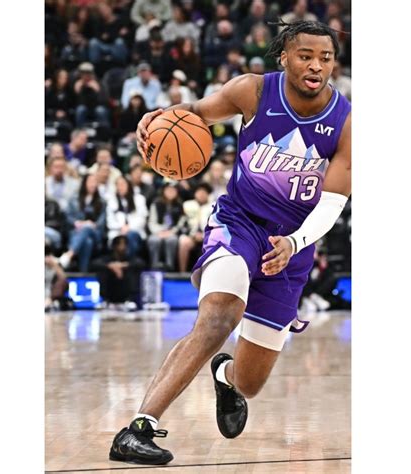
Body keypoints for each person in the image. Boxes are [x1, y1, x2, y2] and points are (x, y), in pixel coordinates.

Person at [109, 20, 351, 465]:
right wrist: (158, 117)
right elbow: (194, 113)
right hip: (239, 223)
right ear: (284, 57)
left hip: (291, 246)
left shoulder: (346, 120)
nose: (316, 66)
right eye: (306, 56)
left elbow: (334, 201)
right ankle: (139, 427)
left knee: (250, 383)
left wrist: (294, 242)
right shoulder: (252, 91)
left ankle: (226, 376)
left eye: (326, 58)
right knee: (219, 315)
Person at [60, 174, 106, 272]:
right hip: (76, 233)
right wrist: (76, 222)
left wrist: (91, 225)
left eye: (95, 182)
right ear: (84, 183)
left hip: (95, 234)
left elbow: (101, 223)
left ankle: (69, 254)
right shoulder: (74, 199)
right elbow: (67, 217)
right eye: (90, 181)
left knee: (87, 228)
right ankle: (83, 272)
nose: (93, 184)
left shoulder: (102, 202)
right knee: (87, 242)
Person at [91, 235, 145, 307]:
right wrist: (110, 266)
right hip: (111, 289)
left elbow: (141, 263)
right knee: (103, 270)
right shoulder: (107, 258)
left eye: (124, 244)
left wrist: (123, 265)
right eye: (120, 244)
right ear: (114, 246)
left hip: (125, 289)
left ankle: (130, 300)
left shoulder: (130, 258)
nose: (123, 247)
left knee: (133, 270)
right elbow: (94, 263)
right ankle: (105, 300)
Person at [146, 181, 185, 271]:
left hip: (172, 232)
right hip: (157, 232)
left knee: (171, 240)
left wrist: (172, 232)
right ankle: (154, 266)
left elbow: (181, 223)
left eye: (173, 190)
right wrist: (159, 232)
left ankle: (170, 266)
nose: (171, 192)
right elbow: (151, 222)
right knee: (154, 240)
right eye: (168, 190)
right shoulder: (156, 203)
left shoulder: (179, 205)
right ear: (163, 191)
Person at [106, 175, 148, 258]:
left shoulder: (139, 199)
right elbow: (110, 221)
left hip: (135, 231)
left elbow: (142, 219)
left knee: (131, 236)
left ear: (128, 185)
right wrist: (121, 227)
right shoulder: (112, 201)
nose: (120, 187)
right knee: (119, 240)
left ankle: (129, 261)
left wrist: (129, 227)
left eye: (122, 184)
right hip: (117, 231)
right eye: (118, 185)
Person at [178, 182, 214, 272]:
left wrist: (204, 235)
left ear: (208, 194)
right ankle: (182, 272)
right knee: (184, 242)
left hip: (209, 236)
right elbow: (182, 223)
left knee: (214, 244)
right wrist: (193, 235)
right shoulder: (187, 205)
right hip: (191, 235)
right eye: (199, 192)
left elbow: (216, 225)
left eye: (204, 192)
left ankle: (208, 274)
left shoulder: (214, 206)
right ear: (195, 193)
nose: (201, 194)